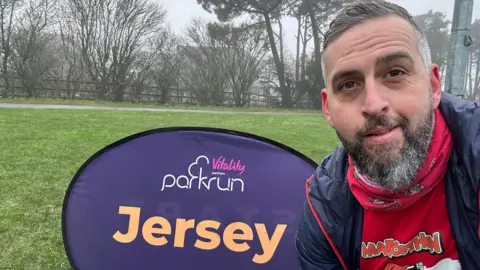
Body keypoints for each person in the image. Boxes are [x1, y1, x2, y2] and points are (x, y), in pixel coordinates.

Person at [295, 1, 480, 269]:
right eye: (348, 84)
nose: (373, 104)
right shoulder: (325, 207)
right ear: (328, 108)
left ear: (433, 85)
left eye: (395, 72)